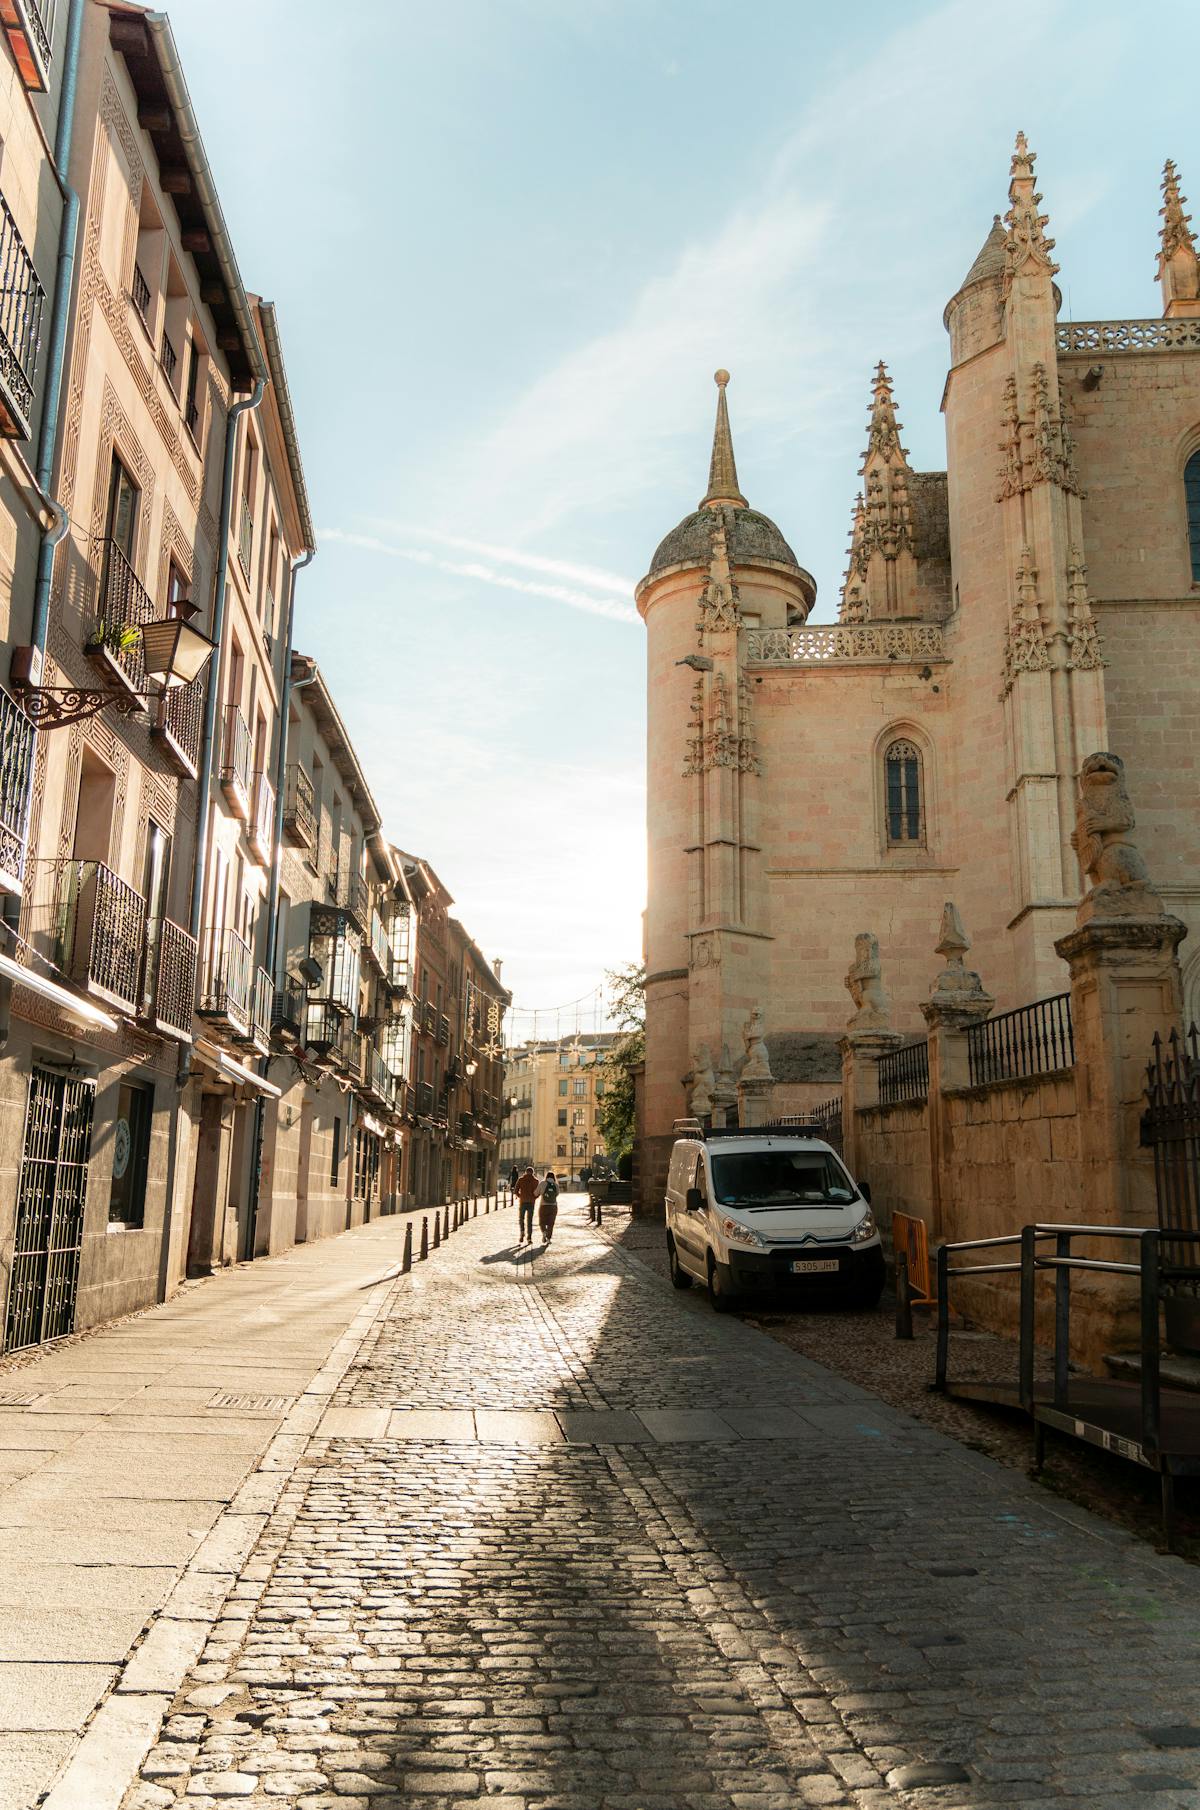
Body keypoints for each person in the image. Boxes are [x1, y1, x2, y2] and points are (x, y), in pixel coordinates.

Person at [514, 1164, 539, 1246]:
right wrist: (534, 1198)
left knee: (521, 1218)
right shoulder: (536, 1181)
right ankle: (529, 1237)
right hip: (531, 1202)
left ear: (525, 1172)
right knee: (530, 1220)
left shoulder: (521, 1179)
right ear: (533, 1172)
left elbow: (516, 1190)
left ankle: (522, 1232)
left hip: (523, 1201)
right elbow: (538, 1193)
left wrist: (520, 1196)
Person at [537, 1168, 560, 1245]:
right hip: (553, 1206)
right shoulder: (556, 1185)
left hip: (543, 1206)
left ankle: (544, 1232)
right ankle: (549, 1238)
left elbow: (536, 1193)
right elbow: (557, 1194)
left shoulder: (542, 1183)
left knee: (542, 1221)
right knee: (551, 1223)